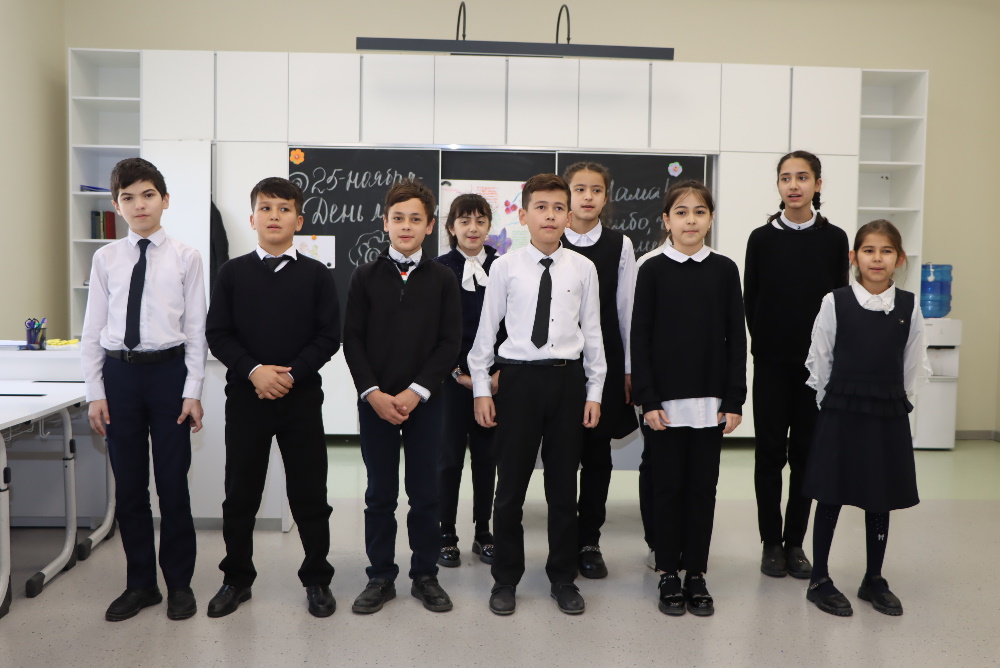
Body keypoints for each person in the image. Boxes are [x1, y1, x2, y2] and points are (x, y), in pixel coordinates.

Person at [469, 173, 606, 616]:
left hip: (567, 382)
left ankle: (563, 577)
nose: (550, 215)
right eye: (541, 207)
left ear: (569, 215)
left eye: (558, 208)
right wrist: (481, 389)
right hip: (518, 382)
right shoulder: (505, 267)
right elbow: (485, 333)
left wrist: (595, 390)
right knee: (510, 488)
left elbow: (594, 334)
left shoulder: (583, 268)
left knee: (564, 489)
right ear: (524, 215)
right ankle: (505, 578)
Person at [205, 177, 340, 618]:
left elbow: (328, 336)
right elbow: (218, 334)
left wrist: (291, 374)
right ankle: (236, 579)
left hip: (301, 401)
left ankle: (317, 578)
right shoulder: (232, 273)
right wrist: (255, 371)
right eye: (266, 208)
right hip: (247, 399)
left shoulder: (317, 275)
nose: (274, 216)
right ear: (252, 219)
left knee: (310, 493)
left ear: (299, 221)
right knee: (240, 493)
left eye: (284, 209)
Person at [82, 157, 206, 622]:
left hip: (169, 376)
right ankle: (141, 585)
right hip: (120, 379)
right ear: (117, 206)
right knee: (131, 489)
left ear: (165, 200)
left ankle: (179, 584)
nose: (139, 205)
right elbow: (92, 329)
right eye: (128, 198)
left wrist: (193, 391)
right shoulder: (106, 259)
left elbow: (196, 331)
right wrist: (96, 391)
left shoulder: (187, 257)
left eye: (148, 195)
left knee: (173, 487)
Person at [343, 178, 462, 614]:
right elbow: (352, 340)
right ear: (385, 223)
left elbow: (449, 342)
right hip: (375, 403)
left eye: (415, 219)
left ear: (430, 226)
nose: (406, 226)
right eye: (398, 218)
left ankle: (425, 575)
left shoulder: (443, 278)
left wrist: (416, 392)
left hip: (426, 404)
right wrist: (373, 393)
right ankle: (380, 575)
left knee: (425, 492)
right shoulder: (364, 276)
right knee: (380, 493)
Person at [802, 220, 929, 617]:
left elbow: (913, 362)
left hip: (886, 410)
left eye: (886, 251)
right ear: (854, 257)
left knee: (880, 495)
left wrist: (894, 398)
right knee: (831, 493)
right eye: (869, 250)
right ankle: (819, 578)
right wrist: (832, 401)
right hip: (841, 409)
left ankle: (873, 578)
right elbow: (820, 358)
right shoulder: (835, 301)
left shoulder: (908, 306)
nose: (877, 258)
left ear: (899, 259)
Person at [631, 180, 746, 617]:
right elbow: (640, 338)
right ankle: (667, 572)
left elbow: (737, 338)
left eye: (699, 212)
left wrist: (734, 399)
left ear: (710, 219)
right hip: (665, 405)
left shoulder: (724, 269)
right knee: (666, 488)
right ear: (666, 221)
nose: (690, 220)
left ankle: (696, 571)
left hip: (711, 405)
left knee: (702, 489)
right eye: (681, 212)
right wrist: (648, 399)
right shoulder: (652, 269)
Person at [743, 151, 849, 579]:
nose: (793, 185)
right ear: (778, 186)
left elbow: (838, 303)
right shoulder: (761, 239)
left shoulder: (834, 238)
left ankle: (795, 543)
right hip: (772, 364)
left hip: (816, 369)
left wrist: (828, 360)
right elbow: (751, 300)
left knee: (805, 455)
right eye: (786, 178)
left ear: (817, 185)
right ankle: (771, 543)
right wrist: (766, 348)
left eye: (802, 177)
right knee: (769, 454)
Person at [561, 162, 638, 579]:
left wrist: (627, 369)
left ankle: (589, 541)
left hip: (602, 363)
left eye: (596, 190)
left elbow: (626, 310)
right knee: (561, 455)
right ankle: (562, 539)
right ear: (567, 194)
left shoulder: (619, 245)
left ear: (606, 197)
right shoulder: (550, 238)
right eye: (579, 189)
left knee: (597, 455)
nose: (587, 197)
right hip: (557, 365)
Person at [434, 194, 500, 568]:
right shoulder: (438, 269)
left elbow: (513, 324)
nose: (473, 228)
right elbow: (432, 331)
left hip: (494, 382)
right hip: (451, 382)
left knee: (487, 459)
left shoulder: (504, 266)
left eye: (480, 220)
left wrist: (498, 374)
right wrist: (456, 373)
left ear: (489, 226)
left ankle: (483, 532)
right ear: (451, 227)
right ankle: (446, 533)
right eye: (464, 221)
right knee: (448, 460)